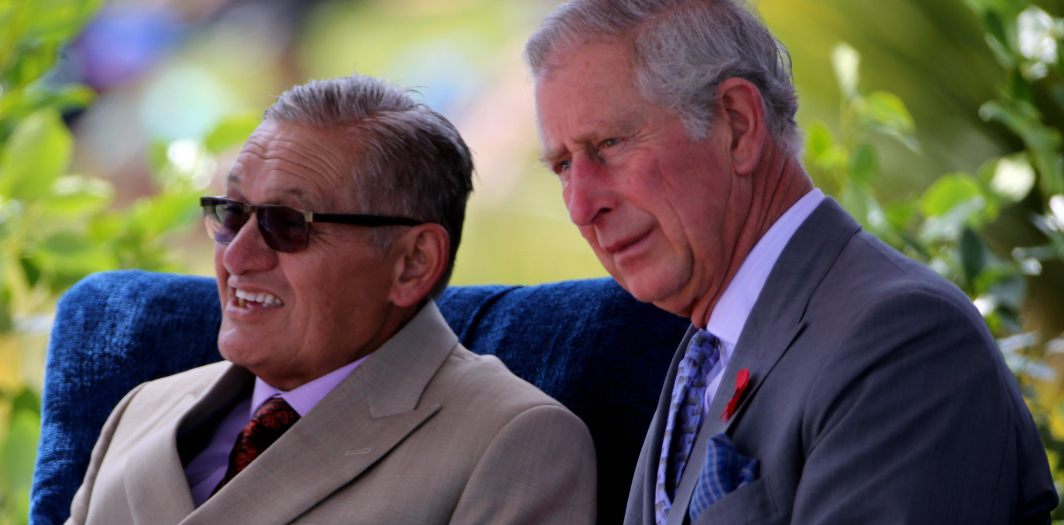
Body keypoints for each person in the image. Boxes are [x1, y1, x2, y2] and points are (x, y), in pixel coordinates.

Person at [526, 1, 1058, 524]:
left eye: (611, 144)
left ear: (737, 125)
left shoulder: (904, 338)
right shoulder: (707, 348)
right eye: (564, 165)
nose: (580, 206)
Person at [64, 75, 597, 525]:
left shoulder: (512, 441)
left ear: (412, 262)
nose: (237, 256)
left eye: (287, 224)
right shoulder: (141, 409)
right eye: (231, 213)